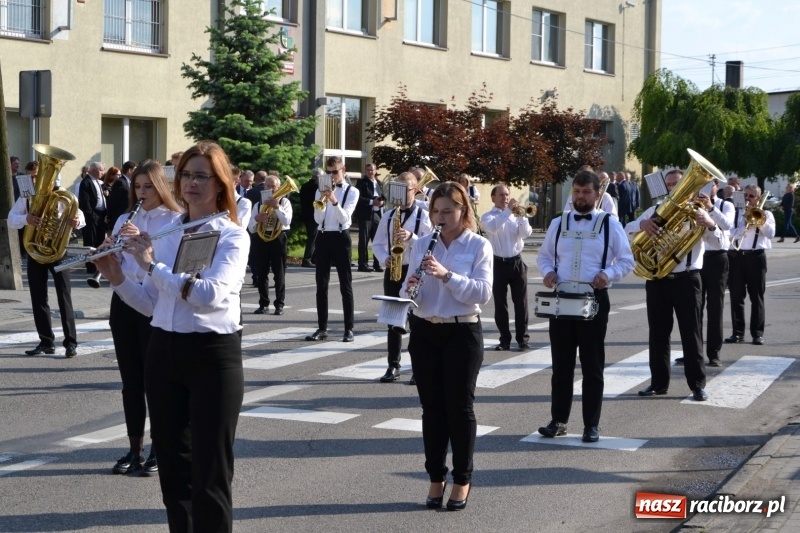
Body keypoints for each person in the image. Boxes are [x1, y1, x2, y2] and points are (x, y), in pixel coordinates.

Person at [93, 141, 249, 532]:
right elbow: (150, 305)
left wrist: (151, 265)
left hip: (213, 355)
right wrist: (116, 277)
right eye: (186, 174)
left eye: (202, 175)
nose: (192, 183)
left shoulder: (231, 235)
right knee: (174, 474)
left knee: (211, 473)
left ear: (220, 183)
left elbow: (208, 294)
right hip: (163, 349)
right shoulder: (168, 231)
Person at [403, 181, 492, 512]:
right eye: (436, 212)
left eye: (448, 211)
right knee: (432, 409)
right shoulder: (424, 243)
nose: (441, 218)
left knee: (459, 408)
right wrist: (410, 288)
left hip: (462, 332)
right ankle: (435, 477)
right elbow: (407, 291)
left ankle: (462, 479)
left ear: (463, 211)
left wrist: (446, 275)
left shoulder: (478, 246)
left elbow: (482, 293)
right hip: (425, 331)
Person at [536, 170, 634, 442]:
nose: (580, 197)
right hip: (563, 299)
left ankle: (592, 424)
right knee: (561, 366)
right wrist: (548, 272)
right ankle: (559, 420)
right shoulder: (559, 222)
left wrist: (608, 275)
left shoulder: (608, 224)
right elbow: (544, 257)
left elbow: (627, 261)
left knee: (592, 366)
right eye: (577, 191)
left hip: (594, 299)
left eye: (586, 192)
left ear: (597, 194)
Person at [107, 161, 183, 476]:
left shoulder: (175, 220)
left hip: (153, 303)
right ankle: (134, 448)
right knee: (131, 382)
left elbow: (167, 264)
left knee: (157, 382)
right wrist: (109, 251)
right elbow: (118, 262)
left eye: (148, 187)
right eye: (137, 187)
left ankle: (158, 448)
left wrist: (142, 242)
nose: (142, 193)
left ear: (160, 187)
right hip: (124, 300)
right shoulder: (125, 217)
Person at [628, 169, 723, 402]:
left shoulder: (698, 212)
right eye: (670, 185)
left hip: (687, 280)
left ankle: (697, 385)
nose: (673, 189)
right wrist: (642, 224)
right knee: (658, 334)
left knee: (691, 334)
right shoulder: (655, 211)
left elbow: (721, 243)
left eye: (678, 184)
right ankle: (659, 383)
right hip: (657, 279)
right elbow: (626, 230)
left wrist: (710, 224)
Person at [8, 172, 85, 358]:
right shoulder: (27, 197)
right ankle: (46, 341)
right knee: (38, 298)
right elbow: (11, 219)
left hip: (58, 251)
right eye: (37, 176)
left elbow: (81, 217)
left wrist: (77, 221)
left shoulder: (64, 195)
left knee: (64, 297)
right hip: (35, 251)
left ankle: (71, 343)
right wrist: (26, 219)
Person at [372, 172, 432, 383]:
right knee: (393, 322)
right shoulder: (389, 215)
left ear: (415, 190)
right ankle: (393, 366)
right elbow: (378, 243)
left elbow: (431, 244)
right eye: (395, 189)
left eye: (404, 189)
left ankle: (419, 367)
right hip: (393, 271)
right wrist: (384, 258)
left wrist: (412, 237)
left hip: (414, 272)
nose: (398, 193)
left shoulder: (424, 216)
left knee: (417, 322)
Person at [305, 156, 360, 343]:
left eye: (335, 172)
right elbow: (317, 219)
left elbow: (345, 219)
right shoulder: (319, 191)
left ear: (343, 170)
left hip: (341, 237)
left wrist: (334, 200)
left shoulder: (353, 191)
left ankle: (348, 329)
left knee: (346, 284)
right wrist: (323, 200)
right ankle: (322, 328)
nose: (331, 176)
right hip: (323, 237)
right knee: (321, 285)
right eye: (328, 173)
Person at [481, 184, 532, 351]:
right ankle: (504, 339)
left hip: (517, 262)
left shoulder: (514, 215)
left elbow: (526, 234)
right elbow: (493, 228)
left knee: (521, 303)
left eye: (507, 194)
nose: (506, 198)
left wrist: (523, 217)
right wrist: (508, 211)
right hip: (498, 263)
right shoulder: (488, 216)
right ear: (493, 198)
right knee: (500, 303)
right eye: (501, 195)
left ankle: (522, 339)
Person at [691, 178, 735, 367]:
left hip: (718, 258)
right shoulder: (692, 203)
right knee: (694, 309)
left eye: (710, 185)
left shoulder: (726, 205)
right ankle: (694, 350)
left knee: (715, 307)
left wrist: (710, 208)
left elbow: (727, 225)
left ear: (717, 186)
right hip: (698, 259)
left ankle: (714, 352)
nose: (706, 188)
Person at [726, 184, 776, 346]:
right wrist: (743, 225)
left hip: (756, 257)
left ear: (759, 198)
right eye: (745, 195)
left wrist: (757, 221)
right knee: (736, 297)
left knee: (757, 297)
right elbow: (728, 235)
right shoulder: (735, 214)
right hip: (736, 257)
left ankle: (757, 334)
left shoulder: (766, 214)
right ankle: (738, 333)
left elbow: (770, 234)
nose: (748, 199)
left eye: (751, 196)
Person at [248, 174, 292, 315]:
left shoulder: (284, 202)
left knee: (279, 272)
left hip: (278, 238)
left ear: (279, 187)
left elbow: (286, 222)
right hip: (261, 239)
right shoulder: (258, 204)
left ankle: (279, 304)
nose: (271, 189)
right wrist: (256, 218)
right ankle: (263, 303)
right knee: (262, 273)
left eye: (273, 186)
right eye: (268, 186)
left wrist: (277, 208)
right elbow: (250, 227)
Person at [354, 163, 385, 272]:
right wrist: (372, 202)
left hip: (377, 214)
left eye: (372, 170)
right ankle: (362, 264)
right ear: (365, 171)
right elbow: (358, 198)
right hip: (365, 215)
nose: (370, 172)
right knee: (364, 240)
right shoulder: (361, 183)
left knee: (377, 240)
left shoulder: (379, 183)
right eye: (368, 170)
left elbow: (383, 197)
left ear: (376, 171)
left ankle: (377, 264)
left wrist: (382, 203)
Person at [79, 161, 108, 274]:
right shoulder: (86, 182)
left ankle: (99, 265)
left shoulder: (98, 182)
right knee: (90, 242)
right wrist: (92, 215)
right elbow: (85, 202)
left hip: (101, 216)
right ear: (94, 170)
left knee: (100, 242)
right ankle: (91, 267)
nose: (103, 173)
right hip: (92, 217)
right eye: (101, 170)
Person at [299, 168, 323, 268]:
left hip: (306, 215)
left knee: (313, 237)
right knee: (313, 238)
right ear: (318, 177)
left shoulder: (304, 186)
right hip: (314, 215)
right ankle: (307, 259)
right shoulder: (317, 187)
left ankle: (313, 258)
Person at [107, 161, 137, 231]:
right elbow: (113, 201)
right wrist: (109, 216)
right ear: (130, 170)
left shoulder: (128, 182)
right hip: (119, 217)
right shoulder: (120, 182)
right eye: (135, 170)